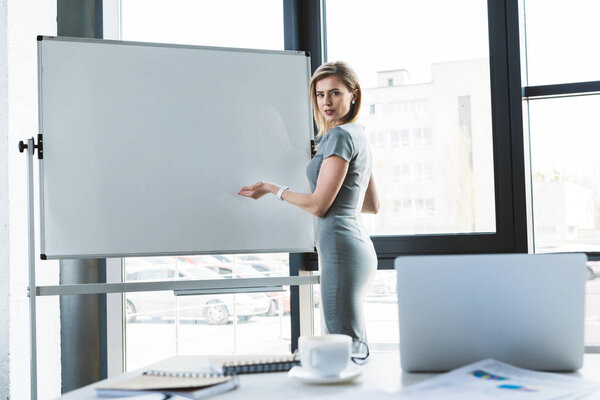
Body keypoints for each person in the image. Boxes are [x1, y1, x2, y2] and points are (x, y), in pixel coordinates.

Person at [238, 61, 379, 350]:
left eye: (335, 93)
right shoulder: (357, 134)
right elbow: (371, 204)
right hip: (357, 246)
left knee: (343, 344)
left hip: (340, 247)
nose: (326, 101)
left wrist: (271, 188)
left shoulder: (339, 137)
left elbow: (318, 206)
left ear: (353, 94)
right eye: (320, 94)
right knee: (352, 342)